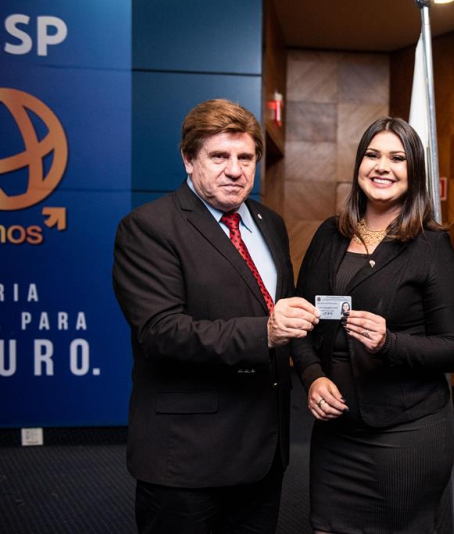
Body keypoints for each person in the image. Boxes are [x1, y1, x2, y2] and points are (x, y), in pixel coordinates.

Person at [112, 98, 319, 533]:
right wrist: (265, 332)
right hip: (188, 457)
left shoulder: (269, 223)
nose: (235, 170)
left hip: (264, 452)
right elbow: (161, 332)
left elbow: (283, 310)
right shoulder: (149, 227)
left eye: (246, 158)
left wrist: (313, 372)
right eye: (219, 156)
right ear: (189, 160)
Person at [291, 117, 454, 533]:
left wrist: (390, 342)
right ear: (359, 164)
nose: (382, 166)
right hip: (336, 434)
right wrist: (313, 377)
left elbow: (453, 348)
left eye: (397, 158)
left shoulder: (431, 246)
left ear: (414, 170)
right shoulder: (329, 235)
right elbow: (301, 325)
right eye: (372, 155)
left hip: (405, 434)